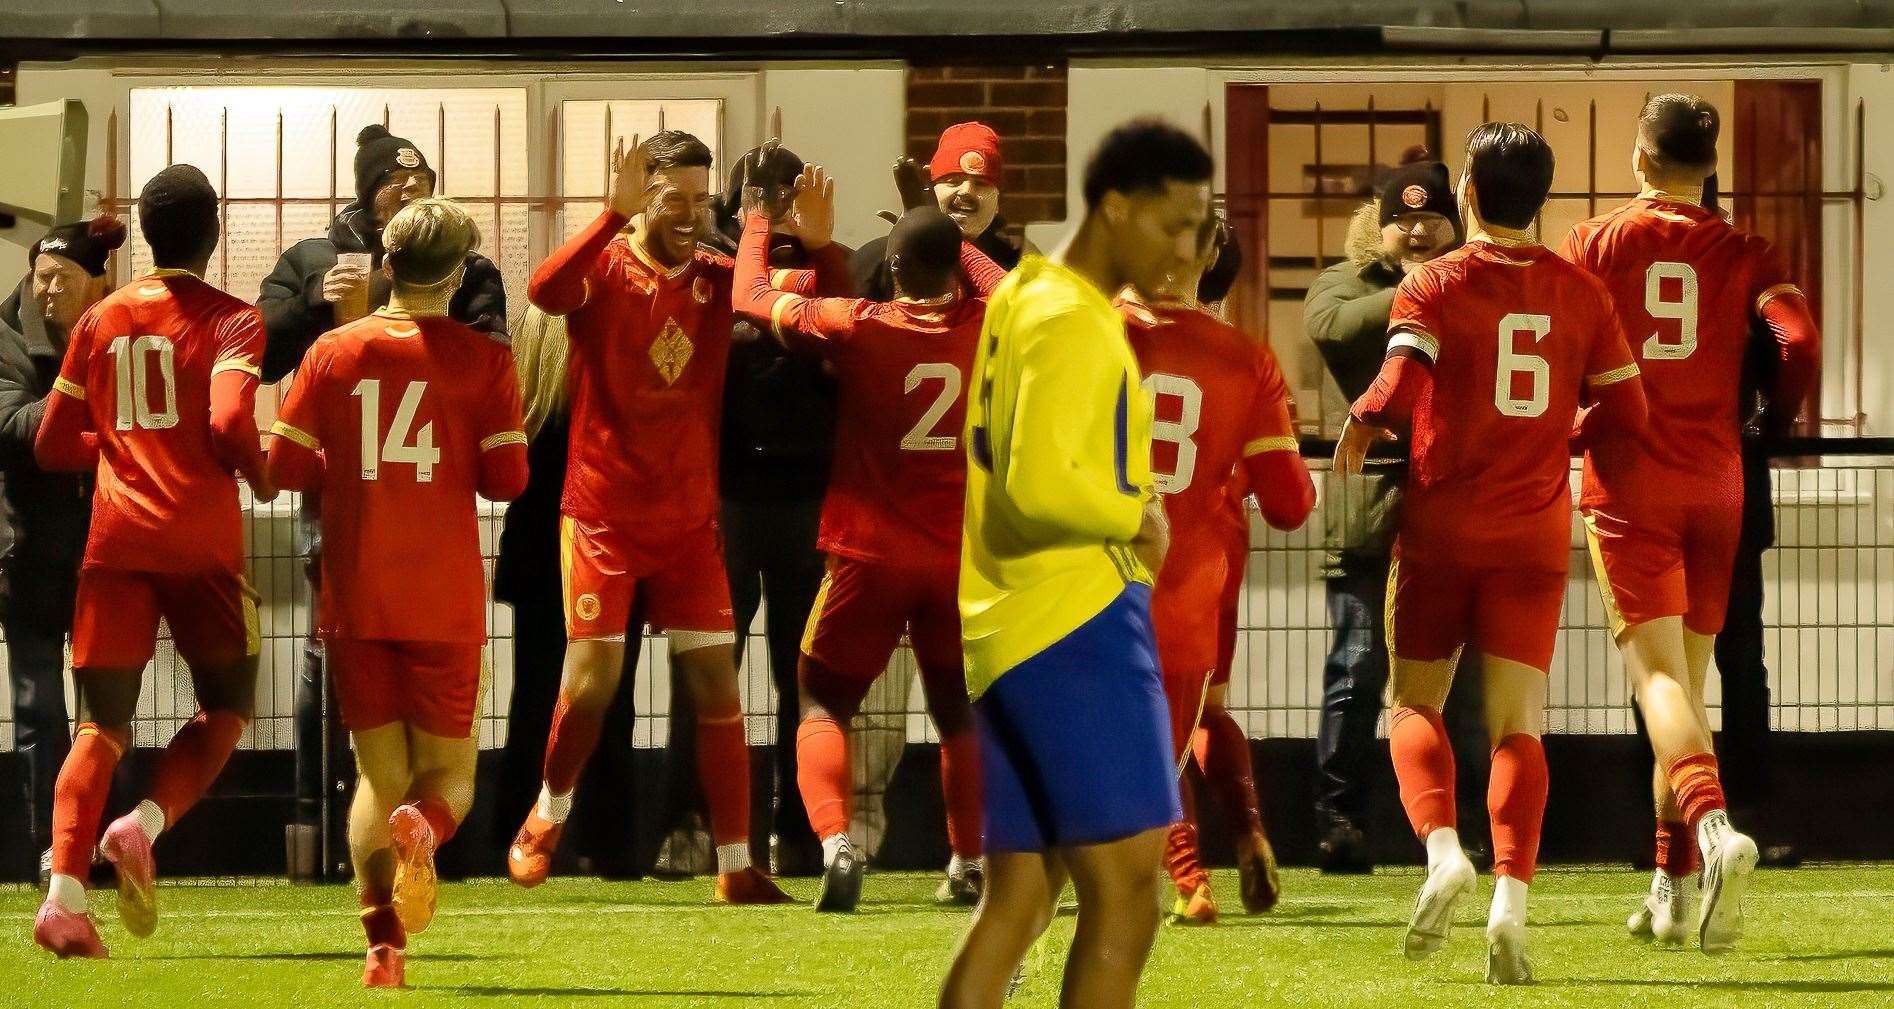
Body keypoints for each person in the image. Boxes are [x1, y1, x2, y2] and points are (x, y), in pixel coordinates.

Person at [1334, 123, 1647, 985]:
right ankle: (1511, 901)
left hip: (1443, 527)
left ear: (1466, 188)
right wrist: (1562, 430)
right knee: (1518, 724)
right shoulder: (1582, 292)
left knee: (1412, 704)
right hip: (1533, 535)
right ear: (1539, 197)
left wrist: (1363, 415)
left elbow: (1402, 379)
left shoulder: (1435, 282)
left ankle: (1443, 852)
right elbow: (1631, 416)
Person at [940, 118, 1209, 1009]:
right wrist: (1138, 514)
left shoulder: (1025, 293)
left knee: (1019, 899)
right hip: (1073, 628)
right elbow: (1038, 483)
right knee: (1127, 893)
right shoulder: (1070, 319)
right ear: (1116, 207)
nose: (1188, 246)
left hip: (1010, 622)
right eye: (1173, 223)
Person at [1558, 95, 1819, 952]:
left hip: (1632, 481)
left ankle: (1712, 830)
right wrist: (1773, 420)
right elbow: (1800, 338)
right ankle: (1669, 891)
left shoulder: (1595, 242)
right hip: (1718, 480)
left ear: (1639, 159)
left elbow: (1564, 357)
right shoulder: (1746, 249)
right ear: (1710, 168)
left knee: (1656, 685)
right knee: (1688, 689)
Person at [508, 131, 788, 904]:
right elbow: (542, 290)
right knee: (593, 682)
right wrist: (608, 216)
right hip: (602, 515)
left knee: (717, 689)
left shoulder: (715, 275)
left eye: (704, 200)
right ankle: (546, 814)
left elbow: (766, 300)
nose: (694, 214)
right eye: (676, 199)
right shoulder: (605, 269)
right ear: (643, 197)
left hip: (689, 524)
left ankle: (736, 864)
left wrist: (763, 223)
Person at [266, 198, 529, 988]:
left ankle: (383, 947)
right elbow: (509, 479)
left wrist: (341, 466)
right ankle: (431, 826)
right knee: (449, 772)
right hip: (441, 594)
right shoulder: (485, 360)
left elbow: (282, 469)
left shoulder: (334, 352)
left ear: (386, 262)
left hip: (356, 594)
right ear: (459, 272)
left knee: (377, 777)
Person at [732, 166, 1003, 912]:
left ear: (889, 270)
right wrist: (933, 219)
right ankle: (968, 859)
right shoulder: (990, 326)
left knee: (822, 701)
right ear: (954, 268)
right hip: (959, 559)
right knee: (958, 713)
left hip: (866, 554)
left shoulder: (860, 325)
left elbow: (749, 298)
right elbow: (998, 288)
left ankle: (834, 842)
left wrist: (758, 221)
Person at [30, 165, 274, 958]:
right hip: (201, 544)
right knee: (228, 709)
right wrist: (261, 472)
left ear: (146, 231)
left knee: (100, 725)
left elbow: (51, 444)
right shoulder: (235, 320)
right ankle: (142, 824)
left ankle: (63, 897)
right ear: (212, 234)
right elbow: (233, 418)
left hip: (116, 541)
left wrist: (121, 444)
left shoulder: (99, 322)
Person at [258, 125, 507, 863]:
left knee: (376, 760)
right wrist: (314, 301)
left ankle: (380, 935)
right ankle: (344, 813)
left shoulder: (352, 345)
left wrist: (360, 326)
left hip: (358, 548)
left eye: (420, 175)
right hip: (423, 560)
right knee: (432, 764)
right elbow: (264, 339)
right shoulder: (312, 258)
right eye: (393, 178)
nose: (407, 184)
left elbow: (281, 460)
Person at [1119, 218, 1314, 924]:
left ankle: (1189, 878)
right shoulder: (1245, 358)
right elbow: (1292, 503)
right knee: (1201, 711)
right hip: (1203, 566)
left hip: (1095, 573)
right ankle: (1244, 835)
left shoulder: (1089, 333)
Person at [1302, 157, 1490, 873]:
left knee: (1460, 682)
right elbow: (1330, 325)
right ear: (1377, 228)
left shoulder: (1482, 283)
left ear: (1455, 221)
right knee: (1356, 668)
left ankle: (1466, 826)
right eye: (1401, 220)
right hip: (1366, 516)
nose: (1415, 231)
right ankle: (1339, 824)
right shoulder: (1348, 282)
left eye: (1430, 219)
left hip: (1455, 512)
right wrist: (1428, 286)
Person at [709, 139, 848, 877]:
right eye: (761, 194)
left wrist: (822, 248)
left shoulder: (828, 263)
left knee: (804, 672)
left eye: (785, 193)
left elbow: (848, 336)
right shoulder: (716, 261)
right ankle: (704, 830)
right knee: (711, 673)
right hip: (729, 493)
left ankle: (801, 833)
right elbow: (733, 326)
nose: (774, 207)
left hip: (806, 495)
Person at [490, 306, 646, 879]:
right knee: (611, 699)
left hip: (537, 561)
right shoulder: (611, 409)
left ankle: (514, 834)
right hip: (607, 557)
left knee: (533, 698)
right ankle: (614, 844)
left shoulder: (527, 409)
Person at [0, 215, 123, 884]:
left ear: (94, 284)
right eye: (44, 277)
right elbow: (12, 422)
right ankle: (51, 844)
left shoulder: (112, 332)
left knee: (103, 705)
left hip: (105, 547)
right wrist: (96, 426)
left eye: (65, 280)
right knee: (38, 706)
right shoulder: (3, 335)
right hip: (27, 553)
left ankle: (97, 836)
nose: (50, 291)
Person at [851, 122, 1026, 301]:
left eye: (981, 184)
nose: (966, 191)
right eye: (953, 181)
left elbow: (1015, 307)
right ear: (930, 187)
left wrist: (938, 237)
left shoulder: (1021, 263)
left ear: (998, 200)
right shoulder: (875, 259)